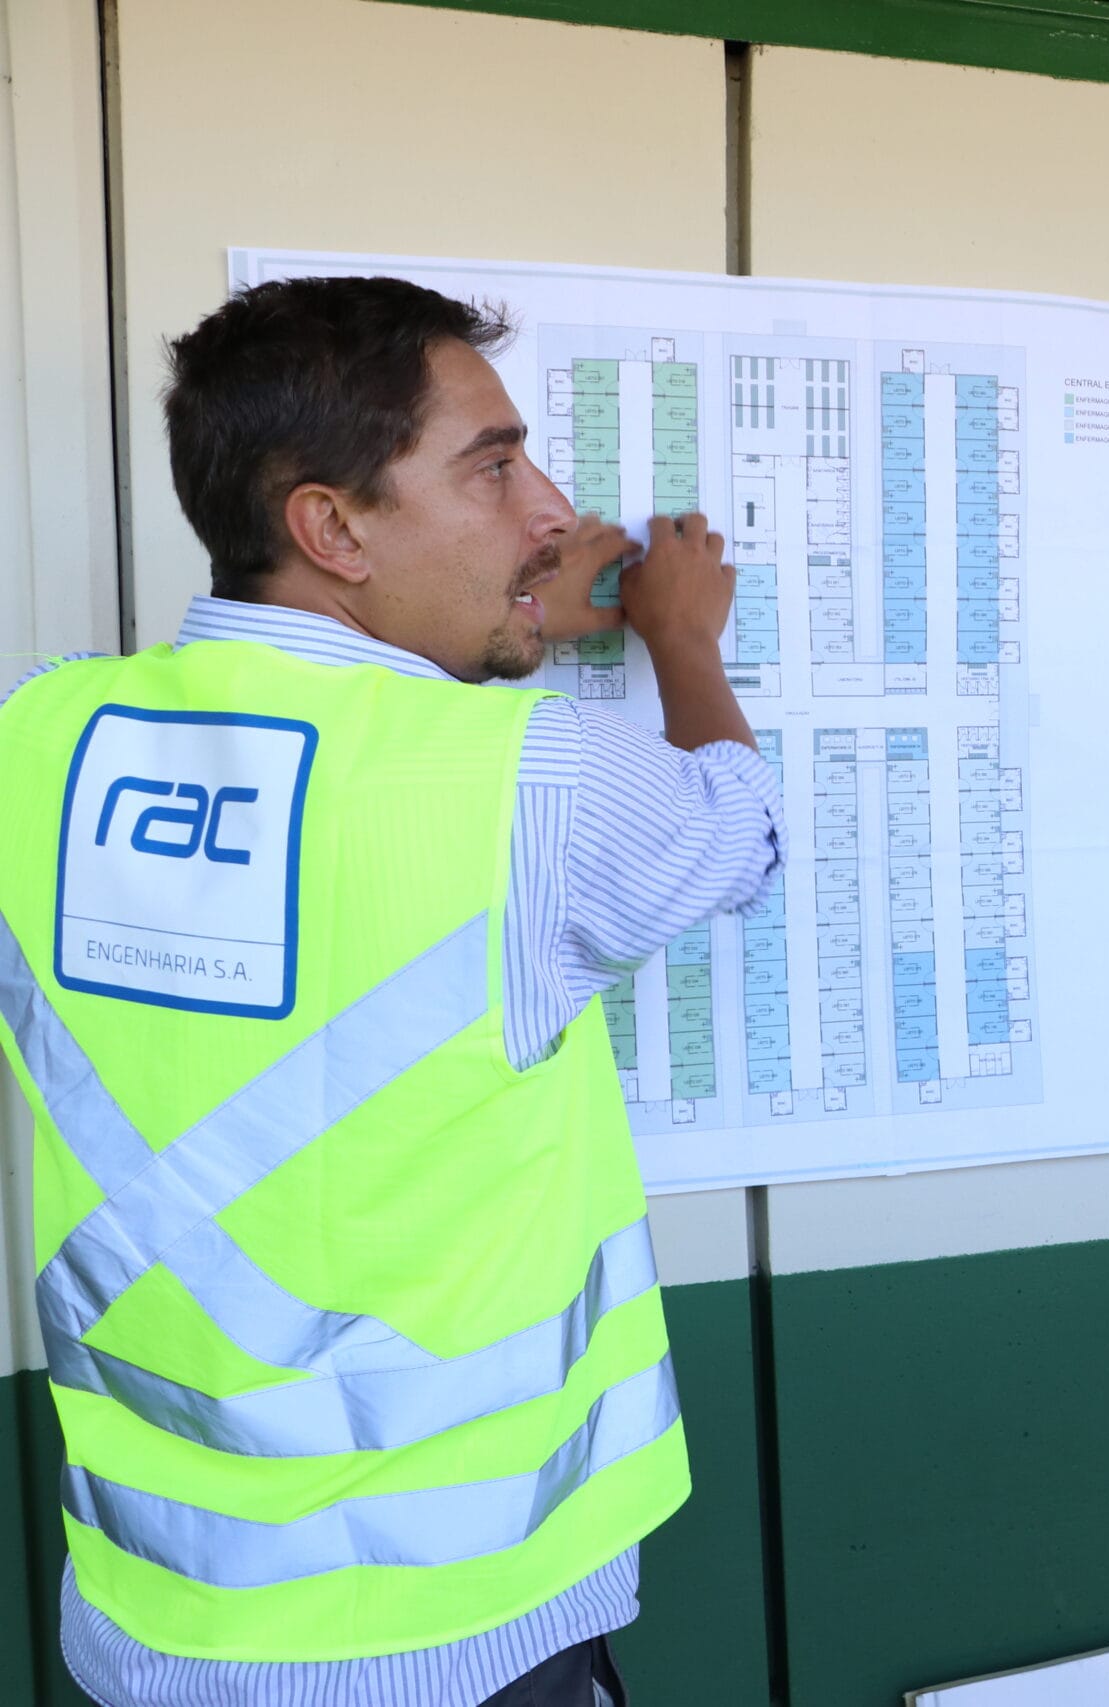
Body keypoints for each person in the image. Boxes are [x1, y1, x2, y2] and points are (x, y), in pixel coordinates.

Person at [0, 276, 781, 1705]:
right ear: (332, 526)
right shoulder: (533, 778)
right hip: (453, 1633)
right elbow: (741, 830)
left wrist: (514, 608)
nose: (546, 506)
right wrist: (680, 633)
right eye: (492, 464)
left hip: (149, 1625)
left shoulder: (35, 738)